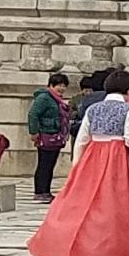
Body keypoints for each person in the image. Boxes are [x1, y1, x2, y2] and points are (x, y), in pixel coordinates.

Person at [27, 68, 129, 256]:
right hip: (117, 161)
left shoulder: (93, 109)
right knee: (120, 209)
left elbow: (82, 139)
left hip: (92, 158)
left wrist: (77, 165)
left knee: (87, 208)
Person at [27, 72, 74, 202]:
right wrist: (34, 132)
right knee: (44, 164)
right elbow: (33, 114)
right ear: (51, 85)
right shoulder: (44, 98)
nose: (62, 88)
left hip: (55, 135)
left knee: (49, 164)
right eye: (59, 85)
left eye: (64, 85)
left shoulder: (56, 99)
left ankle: (45, 191)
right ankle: (40, 191)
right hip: (46, 134)